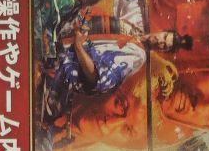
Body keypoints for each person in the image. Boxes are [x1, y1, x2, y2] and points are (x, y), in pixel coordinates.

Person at [43, 26, 192, 123]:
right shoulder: (132, 30)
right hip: (55, 47)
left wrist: (78, 46)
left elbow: (98, 80)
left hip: (59, 70)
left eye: (164, 46)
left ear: (162, 51)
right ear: (162, 31)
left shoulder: (135, 57)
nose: (160, 41)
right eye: (164, 36)